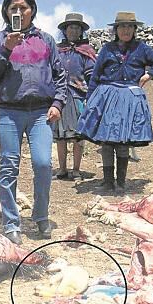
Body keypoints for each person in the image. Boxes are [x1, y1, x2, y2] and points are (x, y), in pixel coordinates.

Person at [0, 0, 67, 244]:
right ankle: (11, 223)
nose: (18, 12)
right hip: (9, 112)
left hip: (42, 111)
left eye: (23, 7)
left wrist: (58, 104)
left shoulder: (46, 40)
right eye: (13, 8)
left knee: (43, 164)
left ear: (32, 10)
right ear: (6, 12)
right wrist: (5, 50)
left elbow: (60, 75)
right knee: (9, 166)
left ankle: (40, 217)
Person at [77, 11, 153, 193]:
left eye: (129, 26)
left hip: (129, 99)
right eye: (122, 26)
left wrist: (150, 74)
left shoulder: (141, 48)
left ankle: (121, 182)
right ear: (116, 29)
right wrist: (91, 101)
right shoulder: (107, 49)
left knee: (123, 140)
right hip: (107, 97)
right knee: (107, 140)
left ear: (134, 29)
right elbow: (95, 76)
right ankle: (108, 181)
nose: (126, 30)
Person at [52, 12, 96, 181]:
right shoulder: (57, 50)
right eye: (71, 27)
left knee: (79, 134)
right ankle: (62, 169)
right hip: (59, 96)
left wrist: (92, 92)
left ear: (81, 31)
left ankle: (76, 170)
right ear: (65, 30)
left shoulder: (86, 51)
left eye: (77, 28)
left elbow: (91, 72)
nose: (73, 31)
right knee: (60, 134)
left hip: (79, 95)